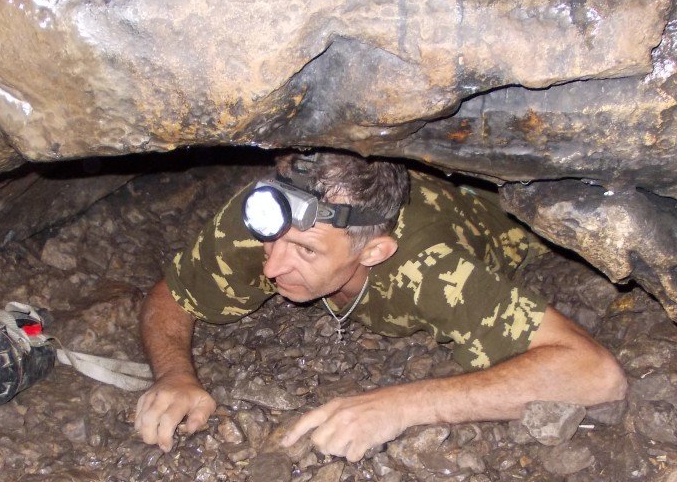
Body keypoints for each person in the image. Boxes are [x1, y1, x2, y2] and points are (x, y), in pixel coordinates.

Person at [135, 150, 627, 461]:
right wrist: (174, 375)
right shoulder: (274, 217)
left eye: (305, 252)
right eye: (271, 239)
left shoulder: (432, 269)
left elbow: (595, 374)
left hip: (510, 203)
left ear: (373, 252)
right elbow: (174, 293)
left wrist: (402, 405)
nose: (273, 265)